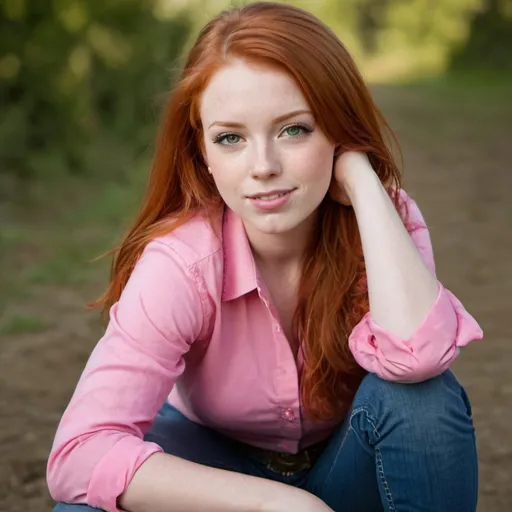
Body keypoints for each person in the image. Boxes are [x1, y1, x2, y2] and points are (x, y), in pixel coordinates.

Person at [47, 2, 483, 511]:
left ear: (338, 131)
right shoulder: (180, 263)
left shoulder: (383, 222)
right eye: (230, 138)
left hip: (351, 467)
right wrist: (273, 504)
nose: (263, 167)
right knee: (86, 505)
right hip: (216, 478)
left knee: (423, 398)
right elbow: (79, 453)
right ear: (203, 154)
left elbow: (421, 356)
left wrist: (363, 182)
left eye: (294, 129)